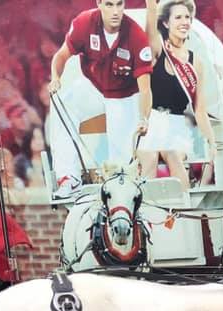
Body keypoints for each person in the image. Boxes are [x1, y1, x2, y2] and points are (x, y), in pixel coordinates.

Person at [48, 0, 153, 197]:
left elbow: (145, 90)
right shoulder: (84, 22)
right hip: (94, 87)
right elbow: (61, 56)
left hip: (124, 95)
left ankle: (120, 193)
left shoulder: (136, 36)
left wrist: (144, 118)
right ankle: (69, 178)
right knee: (61, 100)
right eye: (109, 4)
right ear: (99, 4)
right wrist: (55, 78)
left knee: (120, 168)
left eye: (119, 4)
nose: (115, 11)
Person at [139, 0, 218, 189]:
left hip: (176, 125)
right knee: (149, 159)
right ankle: (145, 215)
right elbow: (150, 24)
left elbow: (199, 109)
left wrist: (212, 141)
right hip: (151, 122)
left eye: (187, 17)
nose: (185, 22)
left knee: (174, 157)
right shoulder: (158, 49)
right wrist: (151, 5)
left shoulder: (195, 62)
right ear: (166, 23)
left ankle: (182, 213)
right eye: (178, 17)